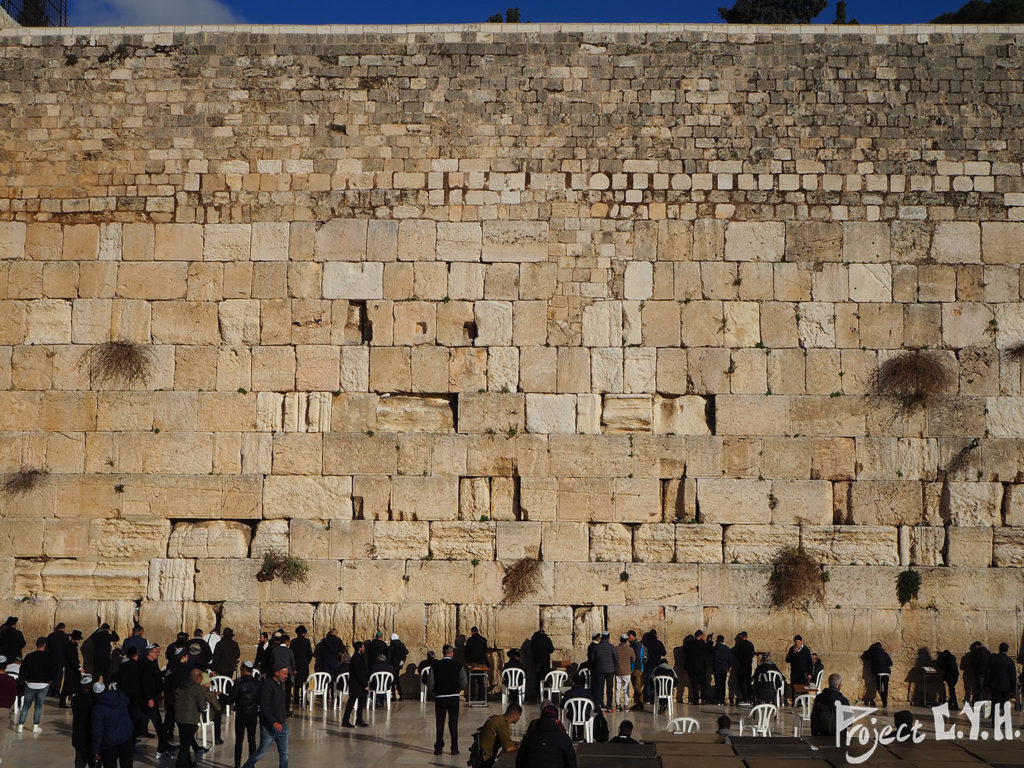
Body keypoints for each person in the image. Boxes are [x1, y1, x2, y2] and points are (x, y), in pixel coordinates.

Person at [242, 665, 290, 768]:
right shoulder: (268, 685)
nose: (286, 676)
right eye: (284, 673)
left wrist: (284, 715)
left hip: (282, 726)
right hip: (269, 726)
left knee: (284, 754)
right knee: (262, 752)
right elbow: (265, 707)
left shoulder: (280, 684)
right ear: (277, 673)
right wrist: (274, 722)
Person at [516, 702, 576, 768]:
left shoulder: (529, 737)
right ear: (556, 721)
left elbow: (519, 761)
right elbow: (572, 764)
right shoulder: (564, 739)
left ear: (541, 718)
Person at [433, 643, 467, 756]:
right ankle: (454, 748)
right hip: (453, 697)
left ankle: (439, 748)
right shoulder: (458, 665)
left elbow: (430, 683)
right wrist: (457, 690)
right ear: (451, 653)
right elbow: (464, 681)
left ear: (443, 653)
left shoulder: (436, 665)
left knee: (440, 722)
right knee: (453, 723)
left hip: (440, 697)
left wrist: (436, 691)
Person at [174, 667, 212, 768]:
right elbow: (202, 706)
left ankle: (188, 764)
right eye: (201, 677)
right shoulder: (197, 687)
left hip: (179, 718)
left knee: (184, 741)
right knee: (184, 746)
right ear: (197, 678)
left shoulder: (181, 685)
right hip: (190, 719)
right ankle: (179, 765)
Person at [92, 679, 134, 768]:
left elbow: (98, 731)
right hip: (125, 737)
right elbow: (127, 701)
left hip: (109, 742)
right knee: (127, 764)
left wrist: (96, 750)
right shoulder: (120, 696)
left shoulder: (97, 709)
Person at [226, 661, 260, 768]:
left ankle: (237, 765)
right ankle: (251, 765)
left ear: (244, 670)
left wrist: (221, 696)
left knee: (239, 741)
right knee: (252, 741)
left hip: (241, 714)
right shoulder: (258, 684)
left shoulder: (238, 683)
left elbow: (230, 700)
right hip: (253, 714)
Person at [140, 644, 172, 757]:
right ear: (149, 653)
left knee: (155, 721)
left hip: (153, 696)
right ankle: (162, 748)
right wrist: (149, 698)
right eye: (156, 652)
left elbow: (158, 677)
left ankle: (164, 744)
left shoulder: (153, 663)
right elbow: (146, 683)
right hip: (148, 698)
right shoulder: (145, 665)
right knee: (157, 722)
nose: (158, 654)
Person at [18, 636, 54, 732]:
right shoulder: (48, 657)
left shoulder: (29, 656)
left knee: (26, 705)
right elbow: (52, 671)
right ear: (45, 645)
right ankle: (35, 726)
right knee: (38, 706)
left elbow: (22, 669)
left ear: (36, 645)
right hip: (43, 684)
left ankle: (20, 725)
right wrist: (50, 680)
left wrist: (25, 679)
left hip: (30, 684)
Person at [810, 673, 850, 745]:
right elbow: (849, 723)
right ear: (839, 685)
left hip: (820, 736)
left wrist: (814, 737)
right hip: (839, 739)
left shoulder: (819, 698)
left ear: (828, 683)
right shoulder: (843, 700)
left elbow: (813, 717)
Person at [341, 641, 370, 728]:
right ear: (359, 648)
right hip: (356, 684)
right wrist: (365, 685)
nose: (364, 648)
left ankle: (359, 720)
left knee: (361, 703)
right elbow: (359, 673)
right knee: (351, 703)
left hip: (359, 684)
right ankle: (345, 721)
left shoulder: (360, 657)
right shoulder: (356, 658)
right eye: (363, 647)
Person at [70, 676, 96, 768]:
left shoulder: (75, 699)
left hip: (78, 736)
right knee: (92, 761)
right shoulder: (93, 700)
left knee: (79, 760)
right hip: (89, 736)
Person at [861, 642, 893, 708]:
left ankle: (884, 701)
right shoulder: (885, 654)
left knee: (879, 688)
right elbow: (890, 663)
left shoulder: (873, 654)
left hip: (879, 673)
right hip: (886, 673)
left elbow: (864, 656)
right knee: (886, 688)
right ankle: (885, 701)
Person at [590, 631, 615, 712]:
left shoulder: (596, 647)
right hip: (610, 670)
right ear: (608, 637)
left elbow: (593, 659)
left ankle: (599, 705)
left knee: (599, 688)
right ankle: (609, 706)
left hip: (599, 670)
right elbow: (615, 658)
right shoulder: (612, 647)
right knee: (609, 688)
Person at [988, 642, 1017, 710]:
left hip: (995, 686)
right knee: (1005, 705)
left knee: (995, 705)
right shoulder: (1010, 661)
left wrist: (988, 684)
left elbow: (988, 672)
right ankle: (1005, 719)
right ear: (1007, 650)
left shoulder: (993, 659)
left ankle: (995, 720)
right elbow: (1013, 676)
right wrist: (1013, 688)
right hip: (1006, 686)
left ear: (999, 649)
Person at [641, 629, 666, 706]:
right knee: (657, 682)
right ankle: (655, 698)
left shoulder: (645, 643)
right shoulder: (659, 643)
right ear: (656, 635)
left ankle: (648, 699)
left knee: (648, 682)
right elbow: (664, 653)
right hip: (657, 666)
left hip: (647, 665)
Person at [60, 629, 84, 708]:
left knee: (73, 686)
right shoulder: (70, 647)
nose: (79, 641)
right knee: (69, 686)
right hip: (71, 669)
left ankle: (72, 702)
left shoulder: (71, 646)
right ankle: (65, 703)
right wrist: (79, 668)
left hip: (72, 669)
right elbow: (72, 659)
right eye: (78, 640)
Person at [682, 630, 707, 704]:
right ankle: (703, 699)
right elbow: (707, 652)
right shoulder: (702, 643)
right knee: (703, 684)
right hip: (701, 667)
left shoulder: (689, 643)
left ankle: (696, 700)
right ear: (700, 635)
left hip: (691, 667)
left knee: (694, 683)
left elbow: (684, 651)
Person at [290, 627, 312, 707]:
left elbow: (291, 653)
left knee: (296, 682)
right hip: (304, 665)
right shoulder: (307, 641)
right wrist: (307, 662)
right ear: (304, 633)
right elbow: (310, 654)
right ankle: (304, 699)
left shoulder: (293, 641)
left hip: (295, 665)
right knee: (304, 682)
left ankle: (296, 699)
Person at [46, 622, 69, 698]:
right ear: (64, 628)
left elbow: (47, 648)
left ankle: (50, 691)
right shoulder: (65, 636)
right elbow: (66, 649)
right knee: (58, 677)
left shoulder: (51, 636)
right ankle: (56, 691)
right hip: (61, 660)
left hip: (51, 659)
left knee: (51, 676)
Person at [465, 626, 488, 701]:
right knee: (481, 681)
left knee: (472, 681)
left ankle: (471, 697)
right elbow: (485, 651)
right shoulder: (483, 640)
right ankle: (481, 697)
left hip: (472, 664)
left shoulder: (470, 640)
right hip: (481, 663)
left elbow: (467, 652)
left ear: (472, 632)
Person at [612, 634, 635, 713]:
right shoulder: (630, 649)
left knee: (617, 688)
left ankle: (618, 704)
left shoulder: (615, 649)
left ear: (620, 639)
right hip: (627, 672)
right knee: (626, 689)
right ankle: (625, 705)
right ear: (626, 640)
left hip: (618, 671)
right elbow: (633, 659)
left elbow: (613, 658)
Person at [786, 635, 813, 700]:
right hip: (794, 672)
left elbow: (810, 662)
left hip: (803, 672)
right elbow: (787, 660)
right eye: (795, 642)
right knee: (794, 687)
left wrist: (810, 673)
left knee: (804, 688)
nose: (797, 644)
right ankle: (795, 702)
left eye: (798, 642)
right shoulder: (792, 649)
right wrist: (793, 653)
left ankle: (805, 701)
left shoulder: (806, 650)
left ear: (801, 642)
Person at [0, 658, 17, 755]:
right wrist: (8, 707)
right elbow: (13, 696)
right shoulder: (10, 680)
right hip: (4, 709)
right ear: (6, 667)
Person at [531, 629, 554, 698]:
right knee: (546, 678)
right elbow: (552, 650)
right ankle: (546, 695)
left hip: (537, 663)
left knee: (538, 678)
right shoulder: (547, 639)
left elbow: (532, 649)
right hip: (546, 662)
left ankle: (539, 695)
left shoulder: (535, 640)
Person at [733, 631, 755, 705]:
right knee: (748, 682)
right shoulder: (751, 645)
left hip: (742, 666)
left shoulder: (740, 645)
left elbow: (738, 655)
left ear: (741, 636)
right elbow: (752, 654)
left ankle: (745, 698)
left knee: (741, 682)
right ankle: (749, 698)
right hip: (748, 666)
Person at [626, 630, 645, 711]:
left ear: (633, 636)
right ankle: (637, 704)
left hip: (637, 669)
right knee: (635, 687)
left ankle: (640, 705)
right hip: (633, 669)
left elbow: (636, 658)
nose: (628, 637)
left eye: (629, 636)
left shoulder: (637, 645)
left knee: (638, 688)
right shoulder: (632, 645)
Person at [386, 632, 408, 701]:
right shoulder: (401, 645)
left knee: (393, 680)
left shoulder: (391, 646)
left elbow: (388, 656)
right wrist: (401, 661)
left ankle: (394, 696)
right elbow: (406, 652)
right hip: (399, 665)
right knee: (397, 679)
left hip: (392, 666)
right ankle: (400, 694)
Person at [712, 635, 732, 705]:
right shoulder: (727, 649)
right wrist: (729, 666)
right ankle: (722, 700)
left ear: (717, 640)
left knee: (717, 684)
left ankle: (717, 700)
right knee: (723, 684)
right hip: (724, 668)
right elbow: (730, 659)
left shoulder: (715, 648)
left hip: (717, 668)